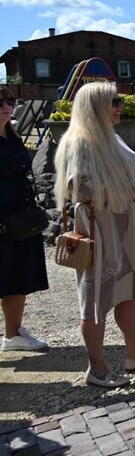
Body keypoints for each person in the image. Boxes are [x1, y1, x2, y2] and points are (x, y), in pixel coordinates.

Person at [55, 82, 135, 386]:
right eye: (114, 101)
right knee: (96, 298)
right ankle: (97, 369)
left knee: (127, 292)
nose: (120, 106)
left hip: (124, 225)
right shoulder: (79, 141)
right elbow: (83, 189)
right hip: (101, 228)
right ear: (95, 106)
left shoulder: (112, 138)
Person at [0, 86, 49, 354]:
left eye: (10, 101)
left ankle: (13, 333)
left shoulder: (12, 134)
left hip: (19, 220)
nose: (7, 107)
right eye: (0, 103)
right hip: (2, 219)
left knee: (17, 277)